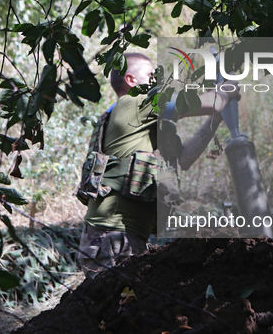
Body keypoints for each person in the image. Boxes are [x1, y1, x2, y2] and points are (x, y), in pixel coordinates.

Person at [77, 53, 239, 279]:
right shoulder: (134, 103)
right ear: (131, 81)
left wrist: (217, 117)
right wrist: (227, 90)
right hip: (110, 237)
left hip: (125, 237)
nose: (158, 82)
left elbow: (185, 159)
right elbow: (207, 102)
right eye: (151, 76)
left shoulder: (148, 123)